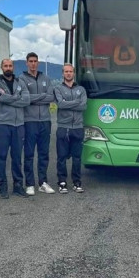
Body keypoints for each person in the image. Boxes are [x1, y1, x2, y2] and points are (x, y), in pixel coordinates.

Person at [0, 59, 30, 199]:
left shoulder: (21, 82)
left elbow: (26, 100)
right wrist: (16, 98)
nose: (8, 68)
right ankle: (2, 187)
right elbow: (1, 98)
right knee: (1, 157)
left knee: (17, 157)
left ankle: (18, 186)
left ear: (13, 67)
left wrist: (10, 98)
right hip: (3, 124)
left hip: (18, 125)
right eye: (5, 66)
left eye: (10, 65)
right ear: (1, 67)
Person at [19, 52, 56, 195]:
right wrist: (42, 96)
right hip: (30, 121)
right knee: (29, 153)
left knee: (44, 153)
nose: (33, 64)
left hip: (45, 121)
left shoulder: (46, 78)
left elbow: (51, 97)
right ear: (26, 63)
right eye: (31, 61)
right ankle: (29, 184)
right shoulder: (21, 79)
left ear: (38, 63)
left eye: (35, 61)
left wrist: (34, 97)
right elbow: (25, 98)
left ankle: (43, 182)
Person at [53, 63, 88, 193]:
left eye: (71, 71)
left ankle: (77, 182)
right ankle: (62, 182)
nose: (68, 73)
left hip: (78, 127)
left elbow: (84, 106)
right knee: (61, 157)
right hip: (63, 127)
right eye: (66, 71)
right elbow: (60, 104)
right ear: (63, 73)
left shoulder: (81, 89)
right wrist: (76, 103)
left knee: (77, 157)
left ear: (74, 73)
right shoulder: (58, 89)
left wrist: (68, 104)